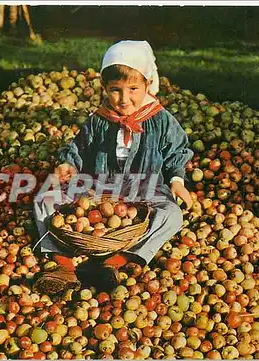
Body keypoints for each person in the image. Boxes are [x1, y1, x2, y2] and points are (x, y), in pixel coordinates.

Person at [32, 40, 194, 295]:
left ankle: (113, 263)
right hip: (97, 189)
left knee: (172, 215)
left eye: (133, 88)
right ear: (104, 87)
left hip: (143, 188)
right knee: (45, 199)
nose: (124, 98)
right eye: (115, 90)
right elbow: (78, 147)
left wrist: (176, 180)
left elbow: (177, 151)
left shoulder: (161, 119)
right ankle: (63, 266)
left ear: (147, 85)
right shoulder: (99, 119)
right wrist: (67, 165)